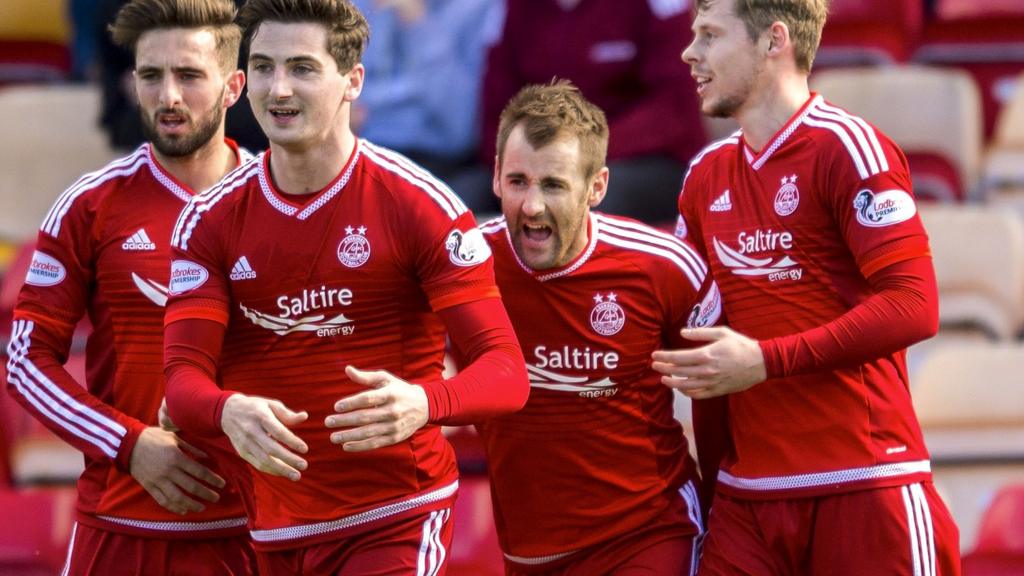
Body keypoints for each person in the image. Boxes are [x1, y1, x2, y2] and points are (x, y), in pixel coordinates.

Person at [161, 0, 530, 573]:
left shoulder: (419, 205)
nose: (278, 89)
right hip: (272, 525)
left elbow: (506, 371)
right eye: (263, 67)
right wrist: (225, 409)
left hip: (396, 516)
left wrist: (424, 403)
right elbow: (183, 382)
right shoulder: (208, 219)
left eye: (303, 69)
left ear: (352, 81)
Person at [652, 0, 961, 574]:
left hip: (865, 486)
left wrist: (766, 360)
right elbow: (702, 349)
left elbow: (915, 305)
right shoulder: (703, 177)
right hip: (746, 503)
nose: (688, 52)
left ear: (774, 41)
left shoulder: (849, 148)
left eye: (710, 35)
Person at [4, 0, 256, 574]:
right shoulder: (89, 205)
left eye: (189, 76)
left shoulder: (284, 204)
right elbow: (24, 360)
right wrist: (129, 444)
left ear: (233, 85)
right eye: (151, 75)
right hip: (119, 529)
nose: (169, 97)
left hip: (255, 533)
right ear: (130, 83)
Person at [474, 80, 725, 575]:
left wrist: (727, 505)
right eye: (519, 181)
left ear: (597, 187)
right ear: (497, 178)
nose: (532, 206)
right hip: (528, 549)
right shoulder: (466, 266)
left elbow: (724, 396)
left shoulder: (665, 267)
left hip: (647, 535)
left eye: (553, 185)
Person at [473, 0, 707, 222]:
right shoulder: (512, 7)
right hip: (537, 158)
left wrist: (577, 152)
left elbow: (672, 111)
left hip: (645, 161)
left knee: (582, 208)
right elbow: (496, 112)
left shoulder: (656, 6)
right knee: (457, 205)